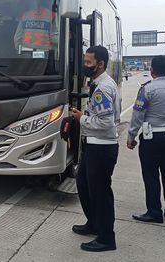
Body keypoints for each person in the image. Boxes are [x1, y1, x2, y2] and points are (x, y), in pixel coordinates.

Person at [71, 45, 121, 252]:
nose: (85, 66)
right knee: (84, 186)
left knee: (100, 193)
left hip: (101, 148)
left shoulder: (103, 88)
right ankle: (94, 223)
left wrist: (81, 118)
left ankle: (106, 238)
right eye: (85, 61)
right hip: (92, 145)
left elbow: (105, 123)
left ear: (101, 64)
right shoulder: (97, 84)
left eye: (88, 63)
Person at [127, 56, 165, 223]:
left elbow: (138, 115)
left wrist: (131, 136)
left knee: (151, 175)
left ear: (151, 70)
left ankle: (154, 211)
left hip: (152, 138)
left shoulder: (147, 89)